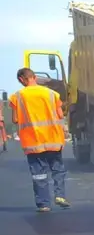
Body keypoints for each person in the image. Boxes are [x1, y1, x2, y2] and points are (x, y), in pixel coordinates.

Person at [10, 68, 69, 212]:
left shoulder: (17, 96)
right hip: (53, 139)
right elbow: (60, 115)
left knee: (39, 173)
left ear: (21, 80)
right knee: (57, 169)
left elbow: (15, 119)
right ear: (34, 77)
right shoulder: (52, 94)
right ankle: (60, 195)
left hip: (33, 142)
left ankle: (44, 204)